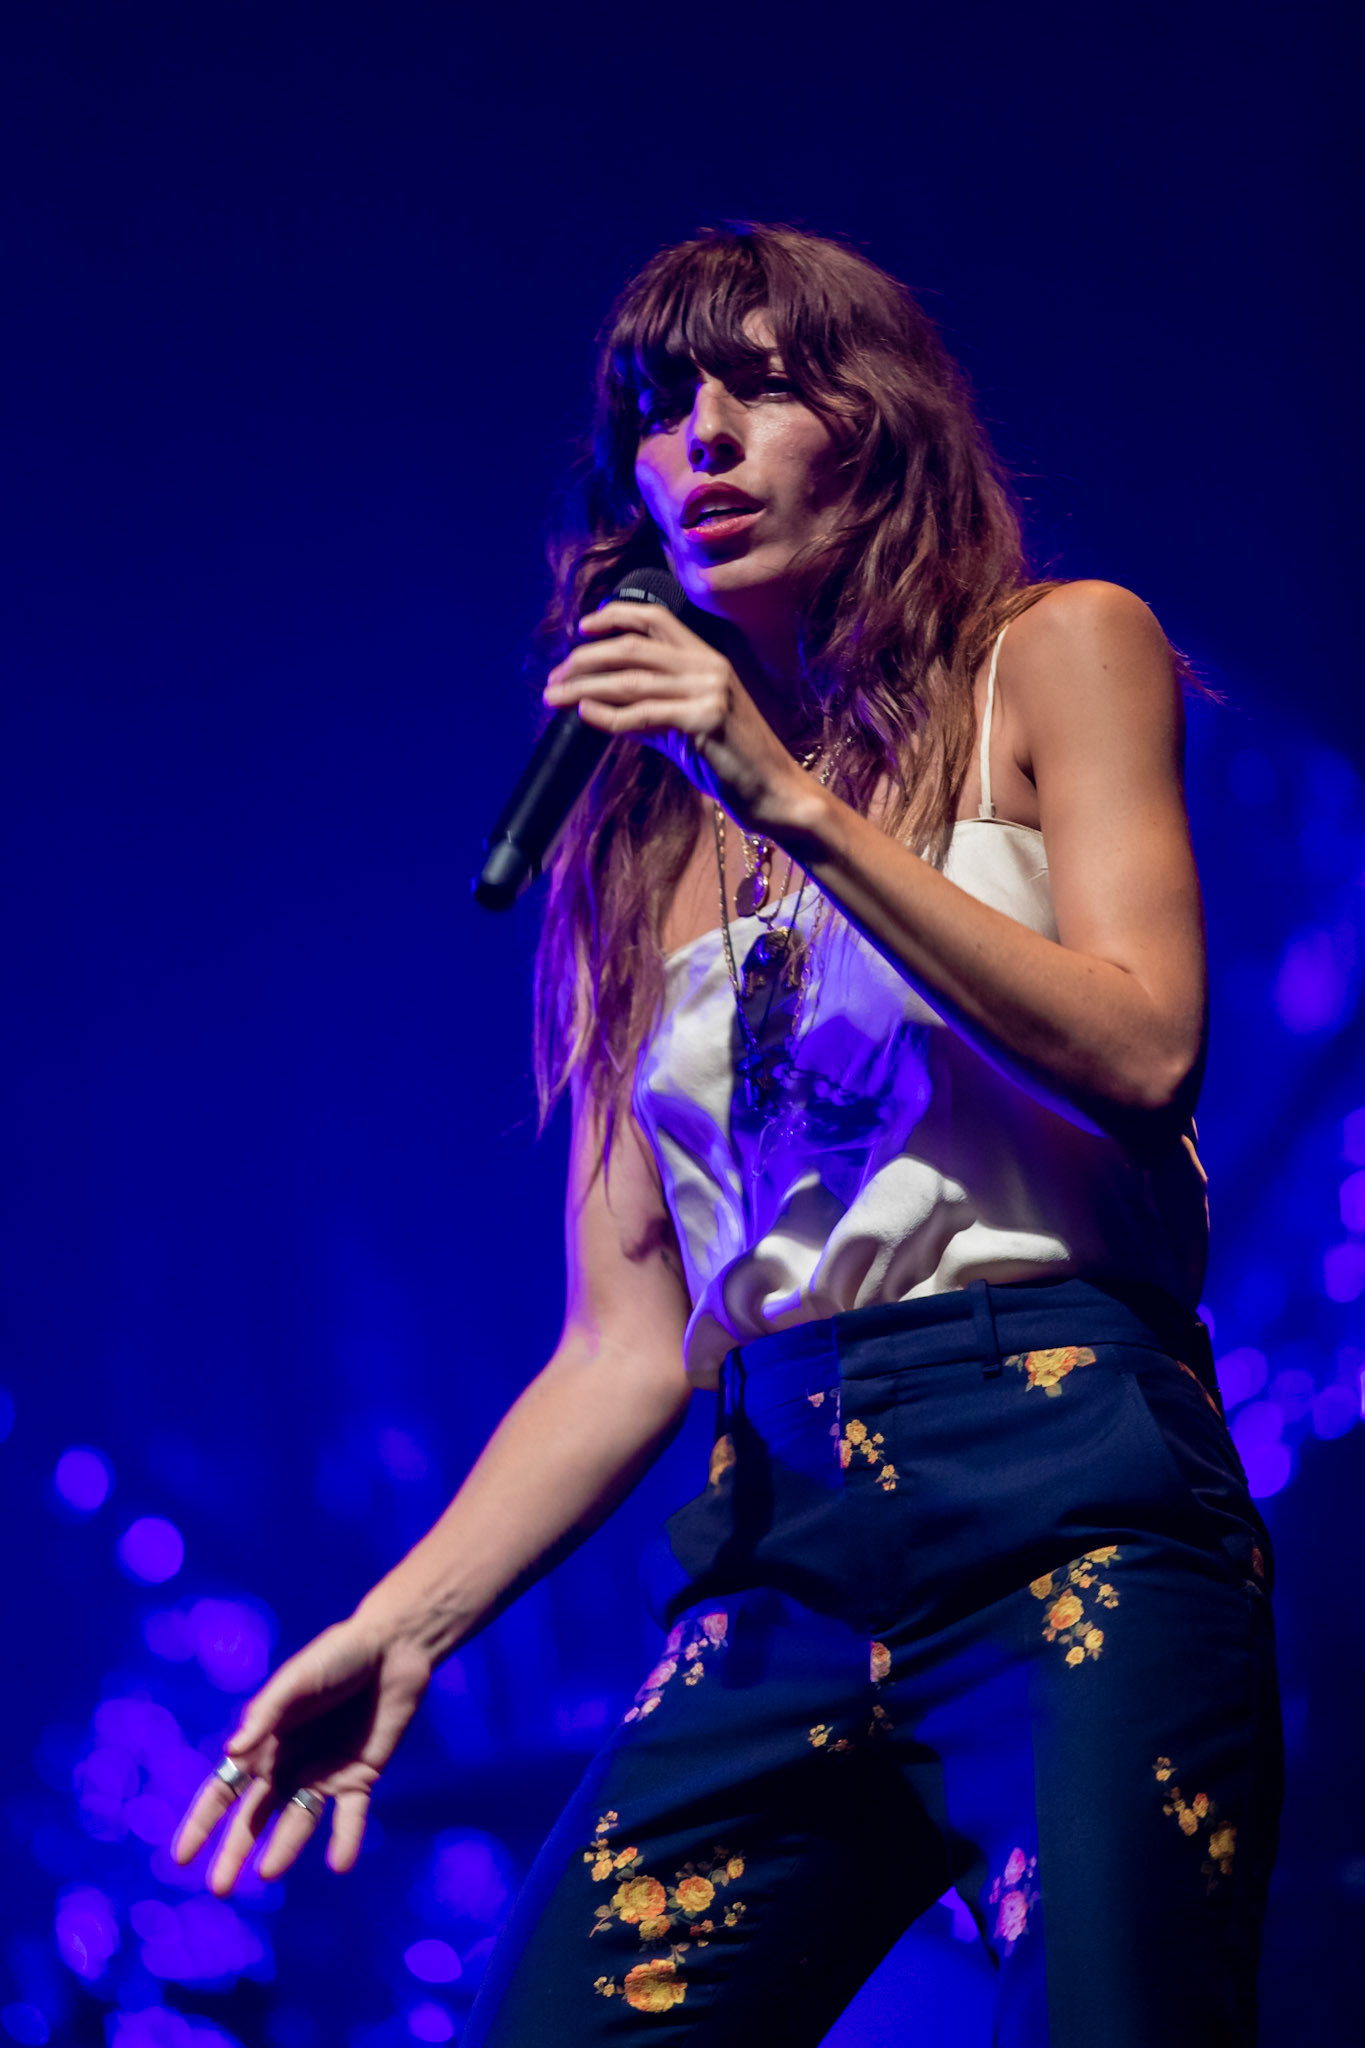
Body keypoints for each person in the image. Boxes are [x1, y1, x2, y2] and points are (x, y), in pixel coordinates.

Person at [173, 225, 1282, 2044]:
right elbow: (623, 1345)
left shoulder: (1057, 655)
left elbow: (1147, 1048)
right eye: (653, 408)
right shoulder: (630, 847)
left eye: (758, 387)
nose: (697, 438)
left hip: (1072, 1491)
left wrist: (793, 806)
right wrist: (409, 1622)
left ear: (883, 422)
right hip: (780, 1538)